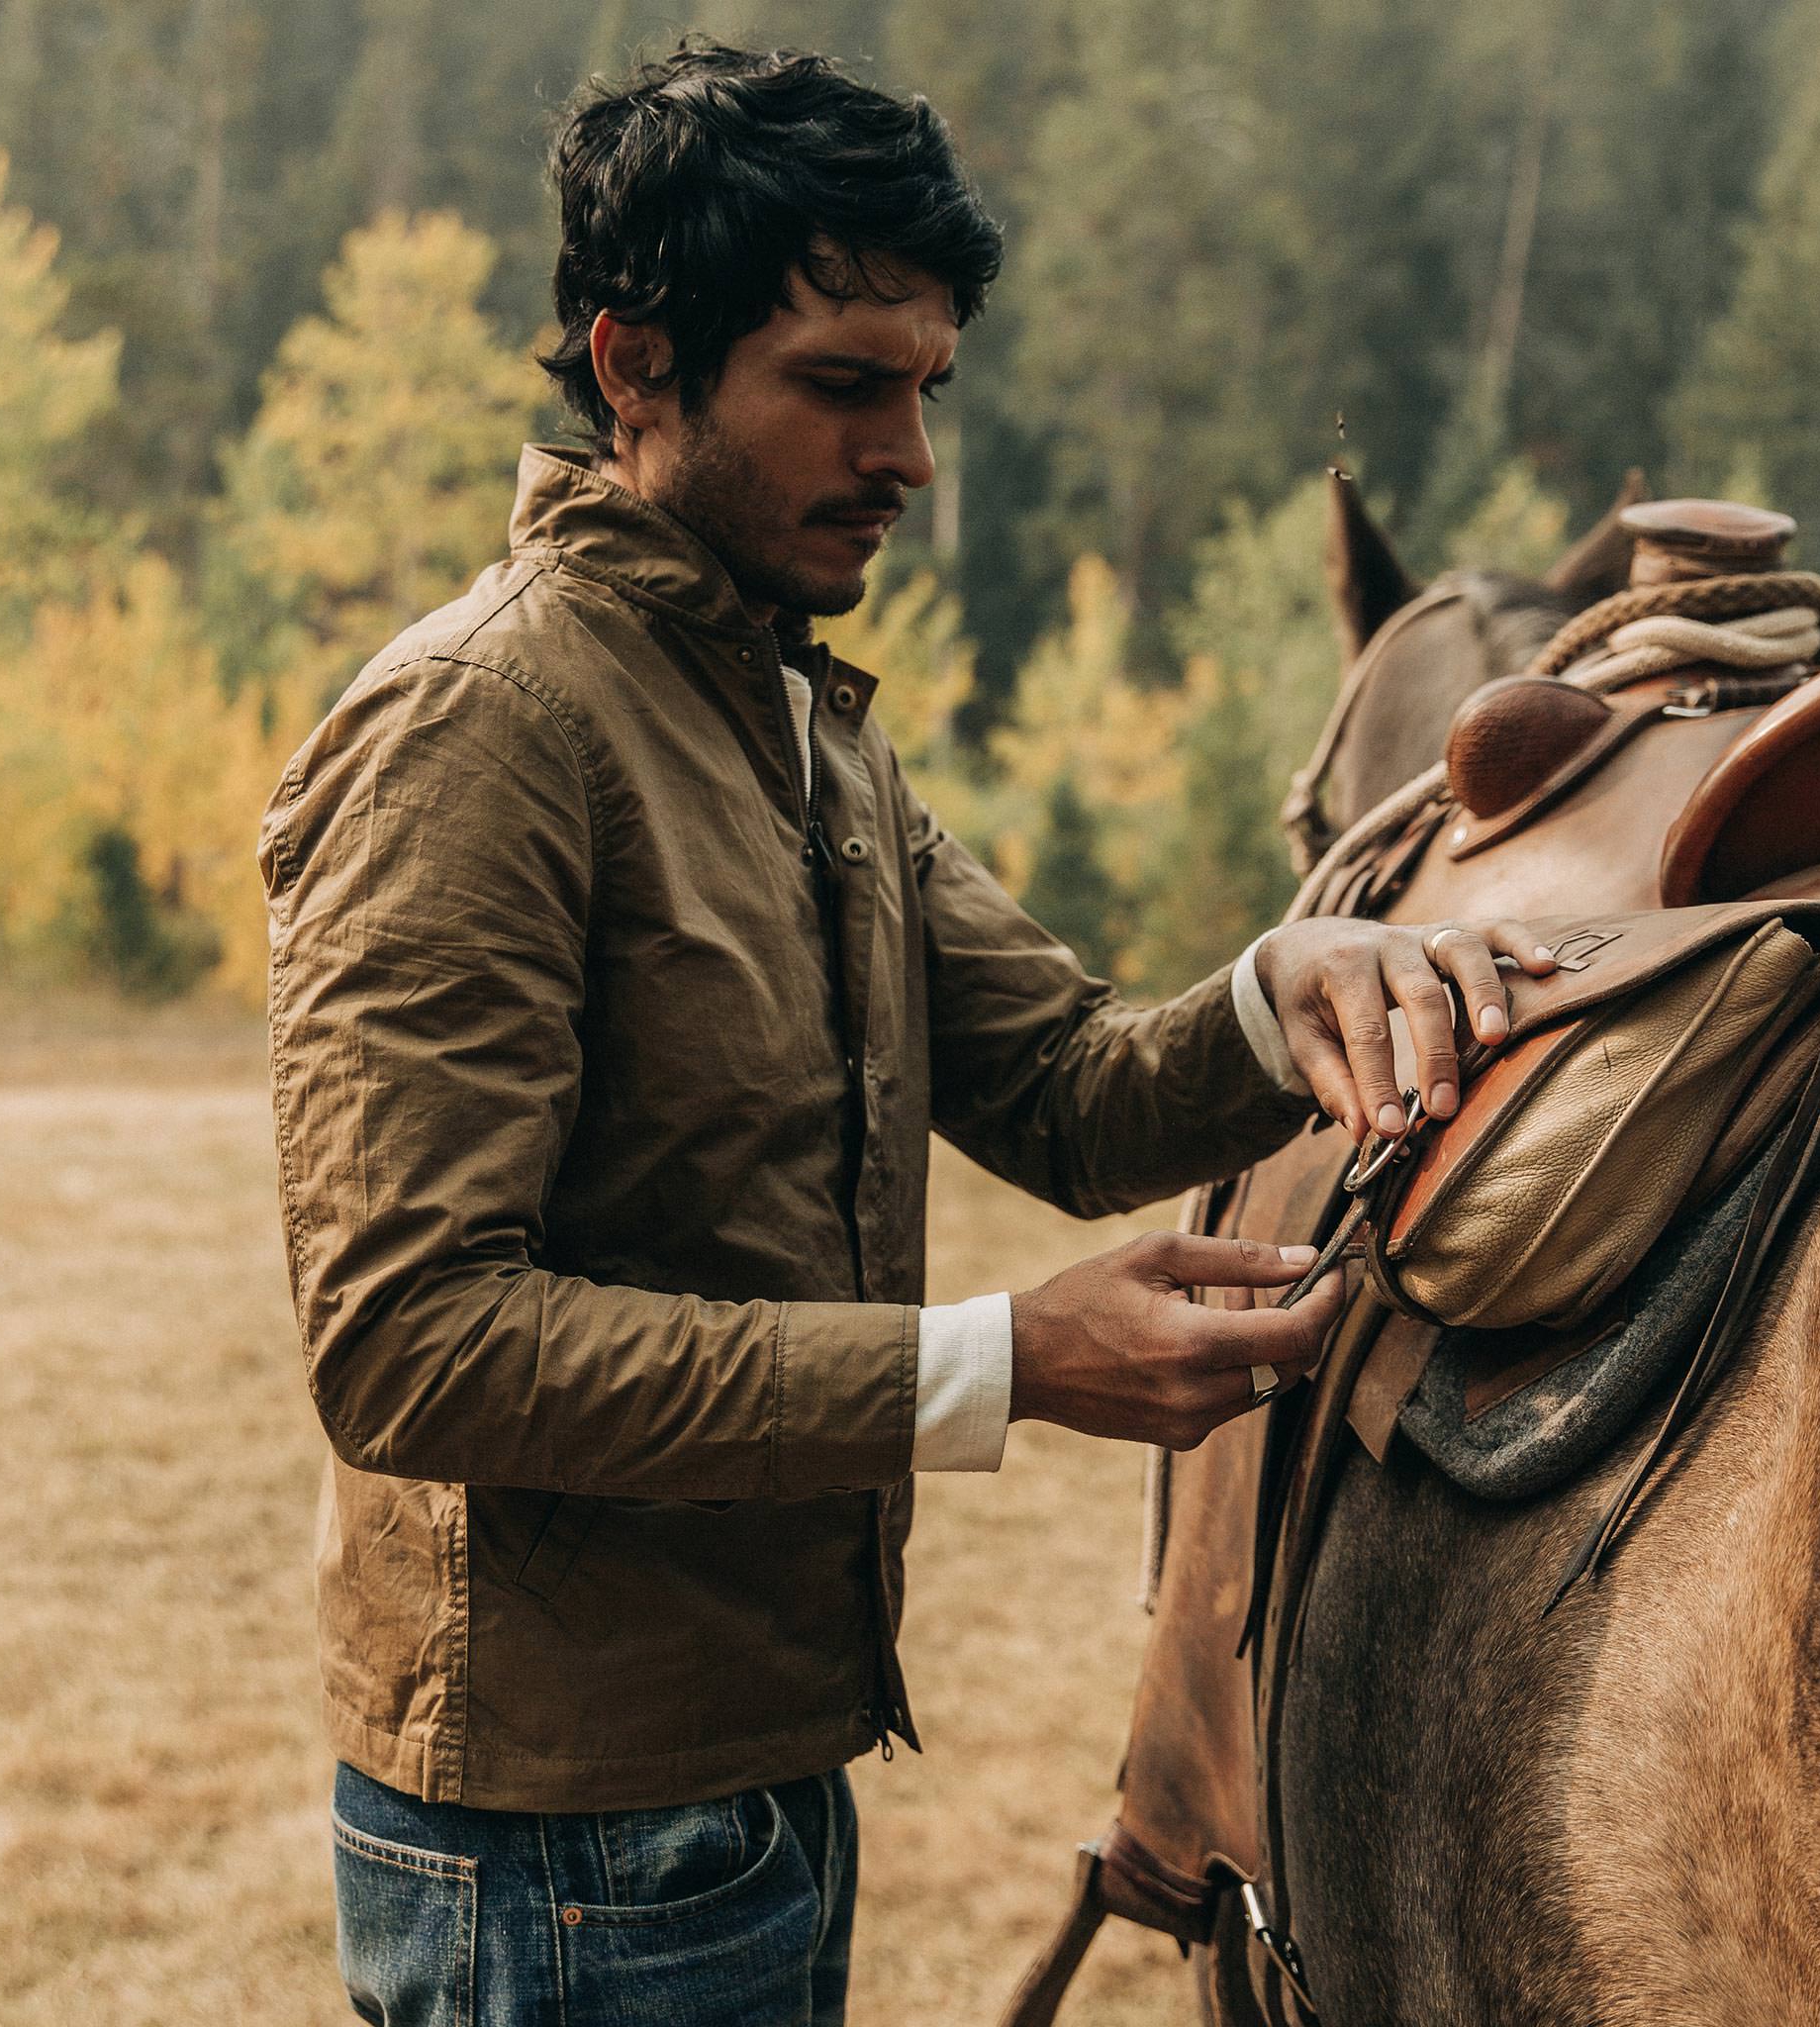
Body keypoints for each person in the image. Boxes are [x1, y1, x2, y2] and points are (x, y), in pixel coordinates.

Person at [258, 42, 1554, 2027]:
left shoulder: (795, 724)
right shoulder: (486, 728)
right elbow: (410, 1345)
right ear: (633, 366)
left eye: (927, 388)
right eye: (844, 386)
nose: (910, 458)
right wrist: (1004, 1361)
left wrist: (1277, 989)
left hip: (752, 1786)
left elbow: (1065, 1086)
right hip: (563, 1850)